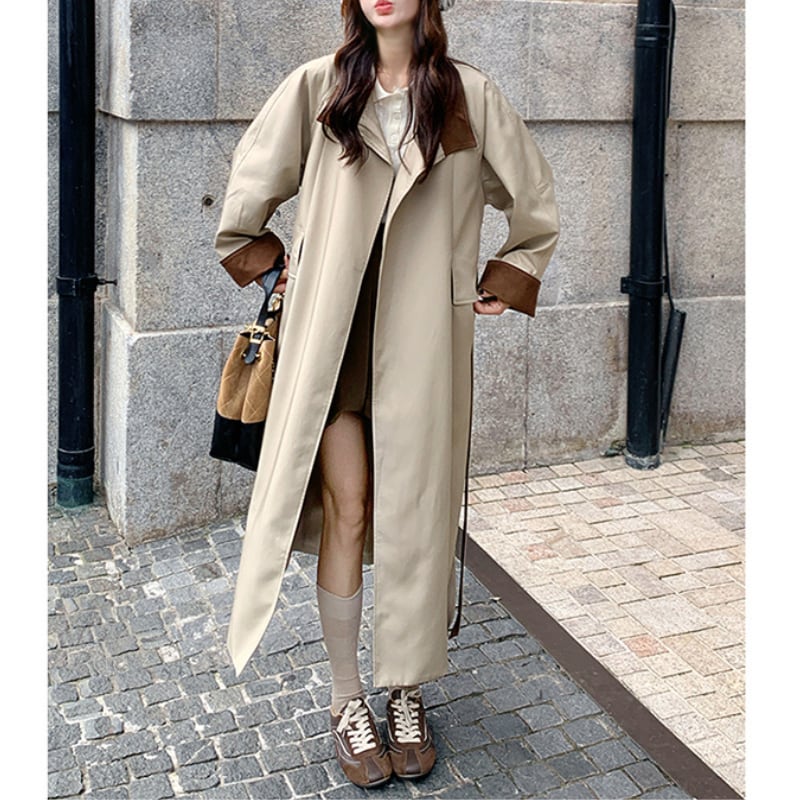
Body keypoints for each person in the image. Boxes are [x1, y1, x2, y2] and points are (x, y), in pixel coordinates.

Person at [214, 0, 559, 789]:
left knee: (415, 515)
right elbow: (245, 204)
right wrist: (278, 268)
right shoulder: (319, 88)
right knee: (353, 508)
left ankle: (406, 689)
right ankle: (347, 699)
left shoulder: (469, 97)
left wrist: (506, 277)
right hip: (332, 351)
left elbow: (534, 205)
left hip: (422, 349)